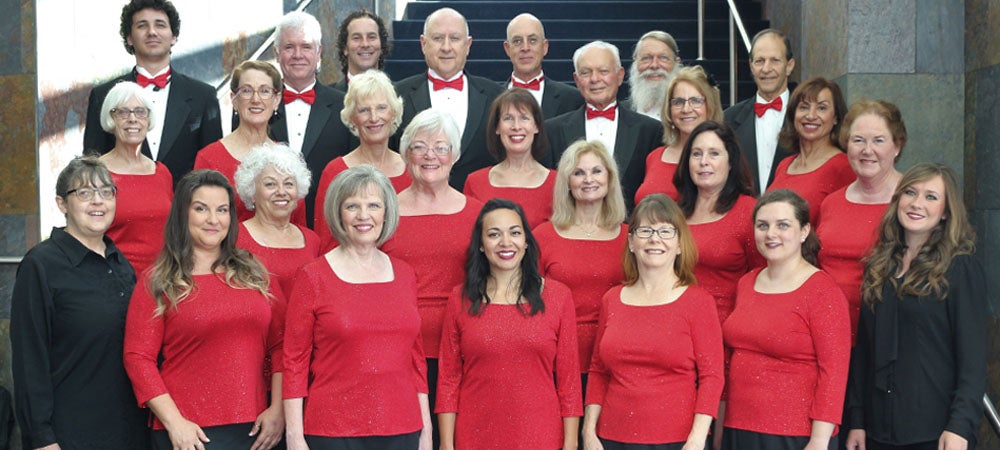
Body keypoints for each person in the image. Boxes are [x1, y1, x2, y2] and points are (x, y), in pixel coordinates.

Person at [124, 170, 285, 450]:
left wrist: (278, 409)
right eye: (201, 209)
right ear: (182, 214)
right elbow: (138, 358)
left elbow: (281, 345)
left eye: (222, 210)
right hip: (188, 433)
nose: (213, 219)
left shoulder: (256, 273)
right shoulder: (158, 280)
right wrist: (175, 423)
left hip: (256, 429)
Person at [283, 165, 432, 450]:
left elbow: (416, 360)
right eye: (352, 206)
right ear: (338, 213)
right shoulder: (312, 276)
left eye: (373, 205)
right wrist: (294, 436)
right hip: (333, 430)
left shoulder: (405, 274)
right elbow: (294, 361)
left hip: (403, 427)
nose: (364, 215)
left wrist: (426, 431)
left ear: (386, 212)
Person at [12, 156, 150, 450]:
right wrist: (42, 438)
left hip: (128, 431)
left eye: (106, 192)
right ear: (62, 204)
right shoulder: (41, 265)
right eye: (84, 193)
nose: (98, 201)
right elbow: (29, 359)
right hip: (69, 435)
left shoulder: (119, 262)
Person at [846, 163, 987, 450]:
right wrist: (857, 419)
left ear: (945, 212)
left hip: (935, 432)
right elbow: (864, 351)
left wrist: (960, 426)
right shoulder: (879, 266)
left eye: (931, 196)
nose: (916, 203)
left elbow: (973, 361)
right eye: (910, 192)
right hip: (877, 430)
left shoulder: (960, 268)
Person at [437, 199, 582, 450]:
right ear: (481, 244)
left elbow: (569, 381)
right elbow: (448, 379)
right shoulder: (460, 298)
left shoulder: (558, 297)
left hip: (541, 436)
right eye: (494, 234)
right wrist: (446, 445)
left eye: (515, 233)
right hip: (475, 436)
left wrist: (570, 444)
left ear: (526, 241)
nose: (506, 242)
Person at [583, 194, 724, 450]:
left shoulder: (698, 302)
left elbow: (712, 377)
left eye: (665, 231)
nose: (654, 238)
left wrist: (697, 439)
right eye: (645, 230)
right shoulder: (612, 299)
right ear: (631, 242)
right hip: (610, 438)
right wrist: (589, 432)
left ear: (679, 244)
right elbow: (598, 371)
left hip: (678, 441)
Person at [380, 109, 484, 446]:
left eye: (441, 147)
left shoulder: (478, 213)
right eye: (419, 147)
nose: (430, 156)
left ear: (455, 155)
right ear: (406, 153)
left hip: (464, 350)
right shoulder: (384, 213)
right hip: (396, 353)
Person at [722, 189, 850, 450]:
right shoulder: (746, 283)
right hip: (739, 426)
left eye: (783, 225)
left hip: (795, 432)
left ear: (804, 231)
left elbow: (834, 372)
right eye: (763, 225)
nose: (771, 234)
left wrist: (820, 440)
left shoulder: (822, 290)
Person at [85, 0, 222, 183]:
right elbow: (91, 166)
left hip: (185, 200)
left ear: (174, 36)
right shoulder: (103, 95)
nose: (152, 32)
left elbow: (213, 169)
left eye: (160, 25)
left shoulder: (203, 96)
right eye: (142, 25)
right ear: (129, 38)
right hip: (122, 198)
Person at [534, 140, 628, 392]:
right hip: (555, 357)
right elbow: (529, 300)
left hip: (614, 359)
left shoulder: (629, 238)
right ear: (567, 182)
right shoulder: (543, 235)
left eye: (596, 171)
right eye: (578, 172)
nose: (588, 179)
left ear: (610, 178)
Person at [816, 99, 905, 343]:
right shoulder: (831, 203)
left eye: (878, 140)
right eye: (858, 140)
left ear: (897, 146)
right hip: (830, 334)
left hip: (887, 337)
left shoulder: (911, 202)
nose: (867, 150)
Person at [392, 7, 505, 191]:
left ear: (468, 45)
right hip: (417, 200)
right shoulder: (397, 95)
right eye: (438, 38)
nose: (446, 47)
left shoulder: (496, 96)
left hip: (480, 202)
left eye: (454, 38)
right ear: (423, 44)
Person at [545, 41, 663, 210]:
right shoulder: (553, 131)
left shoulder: (651, 131)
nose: (595, 79)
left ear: (620, 75)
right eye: (586, 73)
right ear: (577, 80)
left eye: (603, 71)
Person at [196, 60, 308, 226]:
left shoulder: (289, 160)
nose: (256, 99)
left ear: (276, 100)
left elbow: (298, 225)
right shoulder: (208, 158)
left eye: (265, 91)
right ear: (234, 99)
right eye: (247, 91)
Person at [269, 11, 355, 226]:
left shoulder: (344, 106)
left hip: (329, 222)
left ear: (319, 53)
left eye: (306, 47)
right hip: (271, 223)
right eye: (289, 47)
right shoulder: (260, 105)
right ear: (277, 53)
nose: (298, 55)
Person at [314, 70, 411, 250]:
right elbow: (326, 241)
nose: (374, 118)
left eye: (381, 108)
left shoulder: (412, 169)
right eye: (364, 110)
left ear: (394, 112)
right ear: (352, 118)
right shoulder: (336, 171)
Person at [675, 120, 760, 326]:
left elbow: (763, 275)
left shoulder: (748, 211)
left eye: (714, 153)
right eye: (696, 154)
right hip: (676, 326)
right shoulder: (675, 212)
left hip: (724, 327)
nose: (704, 161)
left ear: (731, 162)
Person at [97, 81, 173, 275]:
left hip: (162, 280)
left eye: (140, 112)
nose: (132, 119)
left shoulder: (162, 172)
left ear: (148, 119)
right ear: (111, 119)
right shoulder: (95, 173)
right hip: (114, 280)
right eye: (123, 112)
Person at [234, 142, 320, 298]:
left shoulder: (313, 240)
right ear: (252, 192)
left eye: (288, 183)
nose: (281, 191)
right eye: (270, 184)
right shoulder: (235, 238)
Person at [463, 88, 555, 228]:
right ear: (497, 128)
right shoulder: (475, 182)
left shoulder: (557, 183)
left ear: (536, 126)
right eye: (508, 118)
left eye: (524, 118)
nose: (516, 126)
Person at [767, 77, 853, 224]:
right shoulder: (784, 165)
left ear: (836, 118)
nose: (811, 116)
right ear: (793, 114)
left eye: (822, 108)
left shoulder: (843, 166)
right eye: (804, 107)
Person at [634, 65, 722, 204]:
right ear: (669, 109)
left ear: (710, 106)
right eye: (678, 102)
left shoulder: (722, 157)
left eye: (696, 101)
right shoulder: (654, 157)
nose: (686, 109)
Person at [723, 29, 796, 194]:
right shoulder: (728, 119)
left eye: (775, 60)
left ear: (789, 66)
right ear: (751, 66)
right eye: (759, 61)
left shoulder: (807, 118)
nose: (766, 68)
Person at [502, 13, 584, 119]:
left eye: (533, 40)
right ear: (507, 49)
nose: (525, 48)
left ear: (545, 47)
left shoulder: (572, 99)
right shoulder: (492, 98)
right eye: (517, 41)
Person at [625, 31, 683, 120]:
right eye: (646, 58)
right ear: (635, 63)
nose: (654, 65)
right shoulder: (622, 112)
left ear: (676, 62)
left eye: (663, 58)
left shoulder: (689, 111)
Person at [331, 9, 389, 92]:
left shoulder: (399, 94)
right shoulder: (325, 97)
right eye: (356, 38)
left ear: (381, 46)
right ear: (345, 48)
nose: (365, 44)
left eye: (371, 37)